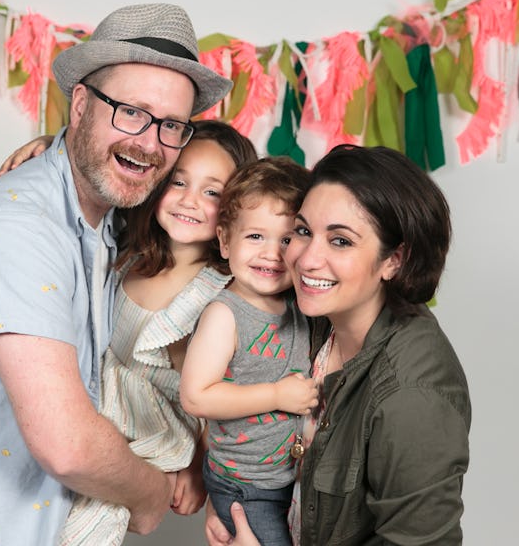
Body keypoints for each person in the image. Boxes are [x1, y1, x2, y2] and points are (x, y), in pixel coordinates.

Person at [0, 3, 233, 546]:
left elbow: (245, 214)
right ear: (80, 105)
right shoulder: (18, 227)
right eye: (130, 111)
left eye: (171, 125)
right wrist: (150, 497)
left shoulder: (120, 224)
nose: (148, 143)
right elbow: (67, 446)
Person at [206, 145, 471, 546]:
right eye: (303, 231)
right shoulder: (304, 317)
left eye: (341, 242)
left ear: (394, 260)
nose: (307, 260)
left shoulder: (414, 393)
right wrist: (226, 495)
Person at [55, 120, 258, 545]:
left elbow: (217, 392)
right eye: (179, 181)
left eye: (212, 192)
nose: (189, 201)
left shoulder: (216, 294)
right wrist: (45, 147)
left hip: (150, 432)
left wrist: (199, 465)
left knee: (89, 523)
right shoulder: (132, 246)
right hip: (96, 406)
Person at [179, 157, 318, 546]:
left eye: (287, 239)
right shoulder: (224, 315)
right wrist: (277, 395)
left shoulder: (297, 304)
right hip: (245, 487)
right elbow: (196, 396)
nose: (272, 254)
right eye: (255, 237)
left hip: (284, 482)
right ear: (225, 241)